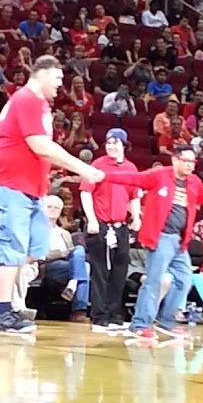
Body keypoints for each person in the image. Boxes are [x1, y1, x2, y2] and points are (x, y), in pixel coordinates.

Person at [0, 55, 105, 335]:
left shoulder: (42, 106)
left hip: (29, 187)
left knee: (36, 248)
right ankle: (2, 311)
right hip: (7, 182)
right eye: (58, 79)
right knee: (11, 248)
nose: (62, 86)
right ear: (43, 74)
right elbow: (40, 146)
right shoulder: (27, 100)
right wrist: (83, 168)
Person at [98, 147, 203, 343]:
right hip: (161, 237)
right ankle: (139, 325)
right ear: (175, 160)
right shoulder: (160, 175)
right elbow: (133, 179)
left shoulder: (194, 182)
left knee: (184, 280)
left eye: (193, 162)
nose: (190, 165)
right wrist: (103, 176)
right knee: (153, 282)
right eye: (186, 160)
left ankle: (167, 321)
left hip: (180, 242)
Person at [79, 128, 142, 333]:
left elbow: (134, 195)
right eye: (108, 143)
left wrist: (136, 216)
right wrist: (92, 220)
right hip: (101, 224)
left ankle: (115, 313)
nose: (111, 146)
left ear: (124, 144)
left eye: (115, 142)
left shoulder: (131, 168)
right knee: (100, 270)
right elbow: (86, 193)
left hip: (121, 226)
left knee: (119, 270)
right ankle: (99, 315)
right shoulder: (98, 165)